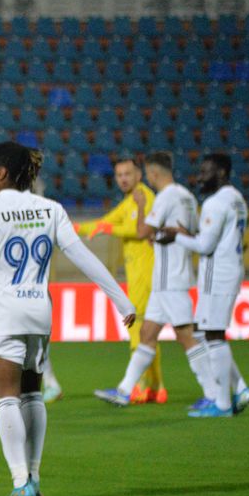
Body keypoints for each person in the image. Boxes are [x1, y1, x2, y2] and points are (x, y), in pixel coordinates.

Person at [0, 142, 135, 496]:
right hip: (40, 312)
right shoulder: (50, 209)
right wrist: (121, 300)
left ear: (1, 173)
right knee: (33, 394)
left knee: (7, 396)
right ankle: (35, 477)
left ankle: (20, 480)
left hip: (4, 311)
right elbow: (84, 258)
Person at [94, 152, 219, 410]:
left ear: (152, 174)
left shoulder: (165, 198)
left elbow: (142, 232)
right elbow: (191, 232)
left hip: (170, 280)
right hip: (168, 279)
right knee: (147, 333)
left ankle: (215, 394)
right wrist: (161, 234)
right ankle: (124, 391)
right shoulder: (187, 197)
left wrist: (141, 206)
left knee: (186, 337)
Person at [157, 153, 249, 417]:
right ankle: (239, 389)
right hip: (229, 269)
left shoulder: (215, 203)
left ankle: (222, 404)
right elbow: (213, 238)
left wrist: (176, 237)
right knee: (206, 332)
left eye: (205, 172)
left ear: (221, 172)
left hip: (217, 275)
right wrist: (189, 235)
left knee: (213, 335)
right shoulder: (236, 198)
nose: (199, 177)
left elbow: (205, 246)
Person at [75, 158, 162, 403]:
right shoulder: (129, 202)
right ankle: (156, 387)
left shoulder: (144, 198)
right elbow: (105, 222)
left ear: (138, 175)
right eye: (119, 175)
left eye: (128, 173)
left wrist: (107, 229)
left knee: (138, 329)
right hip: (139, 275)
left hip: (146, 275)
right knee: (147, 332)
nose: (123, 178)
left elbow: (140, 230)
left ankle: (140, 387)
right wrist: (74, 228)